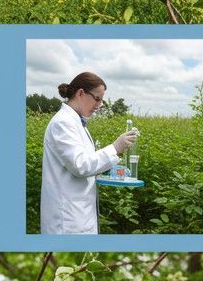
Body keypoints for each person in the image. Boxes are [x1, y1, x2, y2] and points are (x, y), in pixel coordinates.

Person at [39, 72, 139, 234]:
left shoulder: (77, 122)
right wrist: (115, 148)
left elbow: (86, 161)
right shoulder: (63, 123)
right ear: (80, 93)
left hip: (78, 215)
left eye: (101, 100)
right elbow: (81, 165)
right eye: (97, 99)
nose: (99, 105)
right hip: (67, 221)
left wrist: (109, 168)